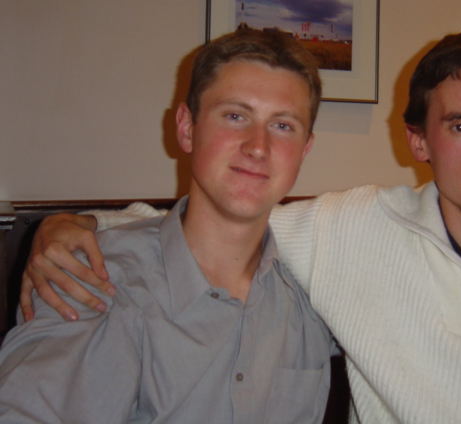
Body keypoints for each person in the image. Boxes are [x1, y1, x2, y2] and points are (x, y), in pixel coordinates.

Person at [17, 33, 461, 423]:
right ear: (419, 141)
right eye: (235, 116)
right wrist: (67, 225)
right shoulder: (92, 277)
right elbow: (195, 227)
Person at [0, 29, 335, 423]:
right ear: (187, 128)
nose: (258, 146)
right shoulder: (92, 279)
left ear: (304, 150)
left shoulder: (317, 292)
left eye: (282, 126)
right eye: (235, 116)